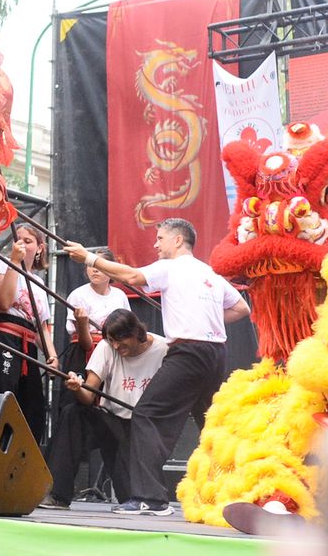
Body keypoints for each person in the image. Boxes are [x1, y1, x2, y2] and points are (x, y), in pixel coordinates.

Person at [64, 217, 249, 517]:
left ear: (177, 241)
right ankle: (235, 491)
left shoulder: (172, 267)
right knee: (210, 422)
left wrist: (90, 257)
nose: (156, 244)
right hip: (216, 353)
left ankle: (151, 499)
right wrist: (206, 318)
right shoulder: (210, 273)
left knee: (147, 414)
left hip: (188, 351)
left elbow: (132, 277)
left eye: (160, 238)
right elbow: (242, 308)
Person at [39, 308, 168, 510]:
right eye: (111, 340)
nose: (116, 346)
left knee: (131, 497)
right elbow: (89, 396)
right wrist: (78, 388)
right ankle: (58, 495)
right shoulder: (106, 348)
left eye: (121, 340)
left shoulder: (163, 349)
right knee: (73, 413)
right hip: (110, 420)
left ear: (136, 333)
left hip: (142, 427)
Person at [0, 224, 59, 443]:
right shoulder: (1, 266)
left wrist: (52, 356)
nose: (22, 243)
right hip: (3, 338)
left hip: (28, 345)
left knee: (33, 409)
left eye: (28, 241)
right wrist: (14, 261)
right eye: (18, 239)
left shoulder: (40, 283)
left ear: (40, 248)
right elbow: (4, 301)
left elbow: (42, 327)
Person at [63, 246, 129, 373]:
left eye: (99, 265)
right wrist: (82, 324)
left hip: (113, 352)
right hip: (83, 354)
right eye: (90, 265)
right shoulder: (78, 295)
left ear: (110, 269)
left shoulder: (120, 296)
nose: (94, 270)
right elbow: (85, 344)